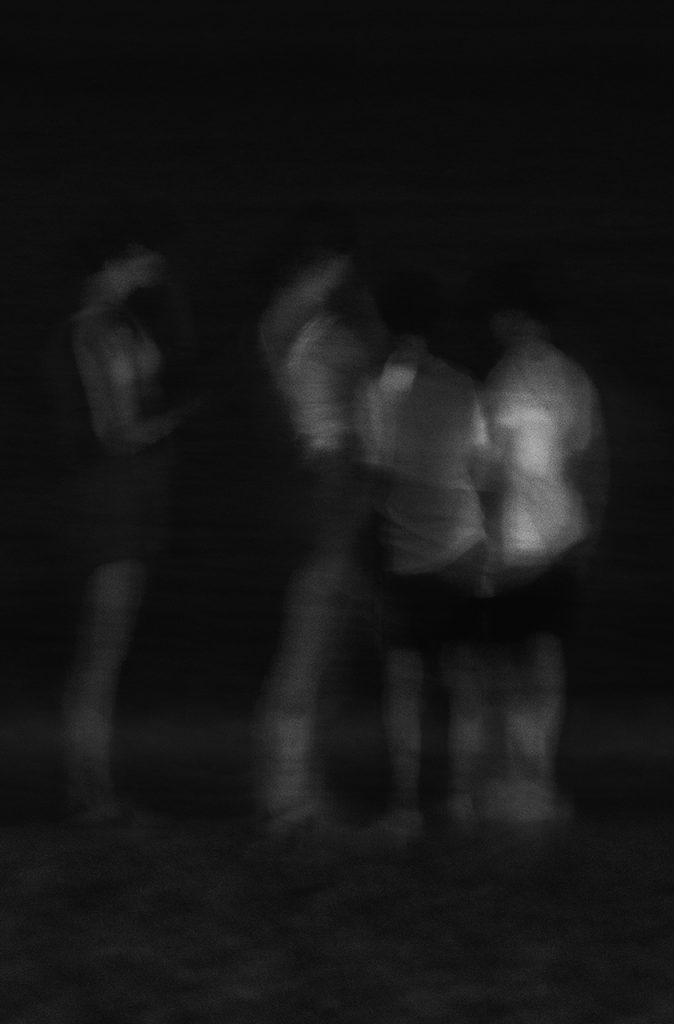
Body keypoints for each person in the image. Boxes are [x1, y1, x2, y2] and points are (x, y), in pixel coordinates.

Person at [43, 201, 201, 823]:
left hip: (120, 499)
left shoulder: (113, 325)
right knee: (102, 652)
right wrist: (179, 418)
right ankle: (90, 792)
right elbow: (118, 430)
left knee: (104, 649)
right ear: (118, 260)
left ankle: (91, 787)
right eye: (144, 255)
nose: (155, 264)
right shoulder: (98, 330)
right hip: (113, 502)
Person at [253, 202, 389, 834]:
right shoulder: (313, 330)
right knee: (312, 647)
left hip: (323, 487)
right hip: (330, 487)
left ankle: (298, 788)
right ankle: (289, 795)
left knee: (323, 646)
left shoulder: (290, 324)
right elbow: (364, 388)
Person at [461, 258, 609, 828]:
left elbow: (487, 474)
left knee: (506, 662)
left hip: (516, 547)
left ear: (511, 318)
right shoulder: (572, 379)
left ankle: (511, 781)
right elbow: (590, 463)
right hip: (561, 540)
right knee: (541, 661)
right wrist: (588, 536)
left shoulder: (504, 383)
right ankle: (533, 776)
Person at [362, 269, 493, 841]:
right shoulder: (463, 385)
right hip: (463, 549)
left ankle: (405, 807)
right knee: (464, 684)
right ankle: (461, 800)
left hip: (405, 555)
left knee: (404, 685)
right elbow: (483, 467)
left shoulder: (378, 389)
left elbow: (376, 472)